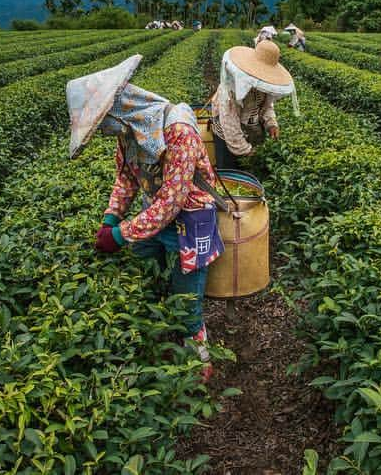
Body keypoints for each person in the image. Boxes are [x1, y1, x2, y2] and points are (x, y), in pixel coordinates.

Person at [66, 55, 224, 379]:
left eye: (103, 123)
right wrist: (111, 217)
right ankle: (156, 341)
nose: (105, 131)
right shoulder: (129, 132)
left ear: (119, 109)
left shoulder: (178, 130)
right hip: (153, 215)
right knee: (145, 271)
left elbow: (173, 200)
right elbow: (125, 178)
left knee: (187, 298)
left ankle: (199, 364)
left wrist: (121, 234)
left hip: (191, 218)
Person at [209, 40, 297, 170]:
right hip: (227, 135)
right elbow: (229, 122)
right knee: (231, 173)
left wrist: (271, 123)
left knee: (249, 172)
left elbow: (267, 105)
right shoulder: (232, 86)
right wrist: (246, 150)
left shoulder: (264, 84)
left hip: (250, 130)